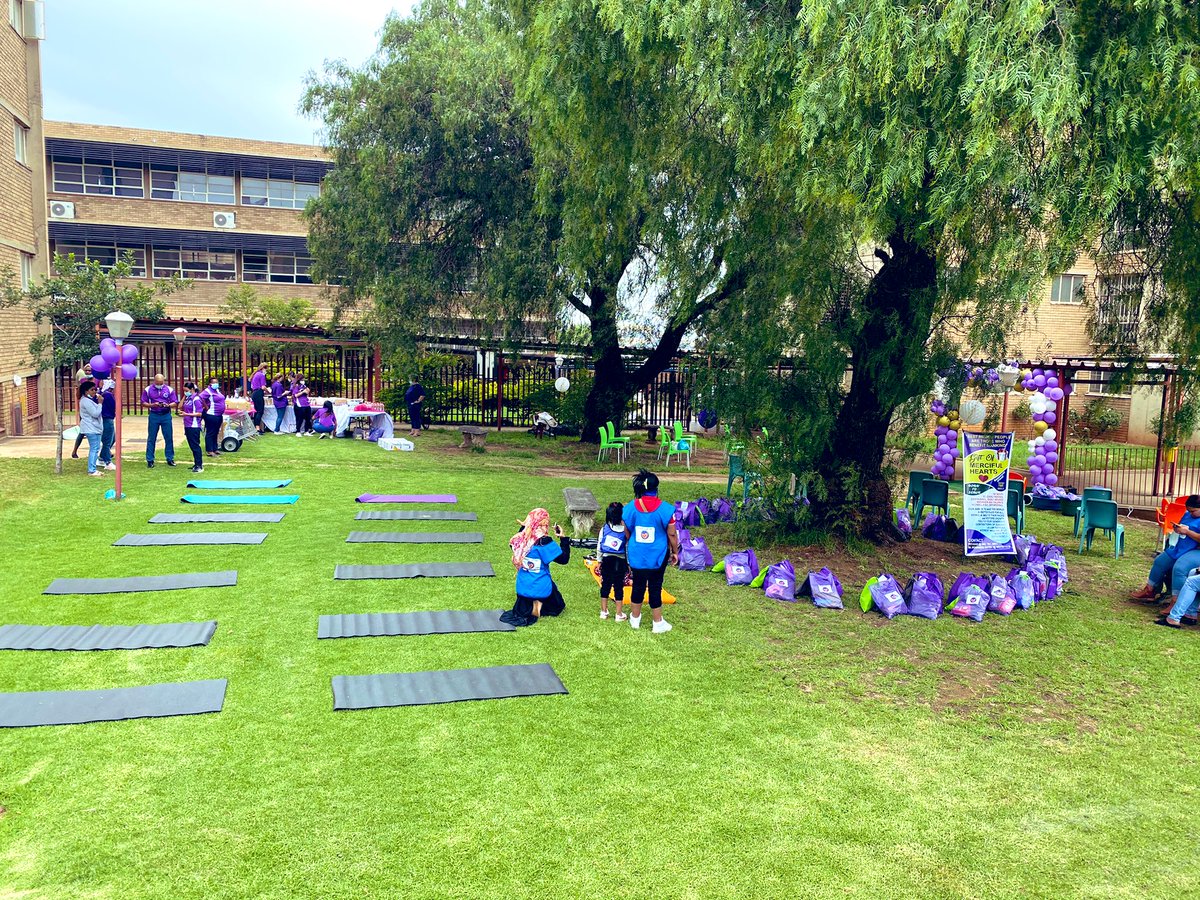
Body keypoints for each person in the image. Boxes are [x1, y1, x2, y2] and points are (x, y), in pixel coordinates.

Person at [622, 469, 679, 633]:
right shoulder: (666, 509)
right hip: (658, 555)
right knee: (655, 586)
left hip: (636, 554)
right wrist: (675, 551)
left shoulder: (630, 507)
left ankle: (635, 619)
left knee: (638, 584)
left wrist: (631, 541)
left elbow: (626, 529)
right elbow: (672, 534)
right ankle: (657, 622)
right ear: (656, 488)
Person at [501, 508, 570, 627]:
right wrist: (563, 538)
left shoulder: (520, 538)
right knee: (558, 605)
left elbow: (516, 542)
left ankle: (533, 604)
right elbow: (564, 559)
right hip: (540, 586)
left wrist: (524, 526)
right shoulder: (544, 541)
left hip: (522, 587)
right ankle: (538, 605)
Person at [1130, 494, 1200, 606]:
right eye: (1189, 511)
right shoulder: (1187, 514)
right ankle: (1150, 589)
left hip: (1192, 550)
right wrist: (1178, 528)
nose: (1190, 513)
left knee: (1179, 569)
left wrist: (1187, 532)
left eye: (1193, 511)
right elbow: (1182, 525)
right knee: (1159, 562)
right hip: (1180, 546)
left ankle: (1176, 601)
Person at [597, 501, 630, 621]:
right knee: (618, 586)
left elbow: (599, 545)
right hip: (620, 561)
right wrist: (629, 563)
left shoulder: (604, 528)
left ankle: (603, 611)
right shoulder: (626, 530)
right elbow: (627, 548)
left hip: (607, 560)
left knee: (605, 584)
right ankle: (619, 614)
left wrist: (599, 561)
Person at [142, 373, 177, 468]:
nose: (159, 385)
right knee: (151, 438)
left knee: (168, 437)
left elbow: (175, 402)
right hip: (154, 415)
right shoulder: (148, 389)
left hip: (166, 415)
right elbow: (143, 402)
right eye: (157, 383)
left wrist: (168, 405)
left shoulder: (169, 389)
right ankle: (150, 460)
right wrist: (152, 405)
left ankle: (170, 458)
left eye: (161, 383)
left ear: (163, 381)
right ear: (154, 381)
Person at [77, 380, 104, 477]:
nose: (94, 392)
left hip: (93, 428)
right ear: (86, 391)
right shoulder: (85, 401)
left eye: (95, 389)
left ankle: (92, 468)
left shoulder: (87, 400)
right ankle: (92, 470)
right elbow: (95, 413)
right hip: (91, 428)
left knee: (95, 448)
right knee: (94, 449)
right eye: (92, 390)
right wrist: (100, 403)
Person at [180, 382, 205, 473]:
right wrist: (184, 396)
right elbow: (180, 406)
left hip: (194, 426)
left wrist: (187, 414)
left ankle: (199, 465)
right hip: (188, 425)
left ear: (192, 389)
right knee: (192, 446)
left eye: (186, 390)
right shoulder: (188, 398)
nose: (185, 392)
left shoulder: (196, 399)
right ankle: (196, 463)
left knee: (195, 446)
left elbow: (199, 413)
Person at [71, 362, 94, 459]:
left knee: (96, 431)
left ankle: (105, 451)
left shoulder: (95, 380)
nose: (88, 372)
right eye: (86, 370)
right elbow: (79, 394)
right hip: (86, 411)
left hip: (93, 408)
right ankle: (74, 451)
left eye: (90, 370)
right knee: (83, 432)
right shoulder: (83, 380)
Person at [200, 376, 226, 458]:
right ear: (210, 384)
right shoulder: (207, 391)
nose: (216, 384)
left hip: (219, 415)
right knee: (210, 432)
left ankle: (215, 448)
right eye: (214, 382)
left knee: (216, 432)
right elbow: (200, 398)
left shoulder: (217, 390)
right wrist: (205, 406)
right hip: (211, 414)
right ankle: (209, 450)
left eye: (217, 382)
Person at [97, 379, 116, 471]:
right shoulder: (108, 395)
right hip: (107, 419)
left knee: (112, 439)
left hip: (105, 419)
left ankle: (102, 456)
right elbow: (113, 406)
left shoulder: (102, 394)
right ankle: (107, 461)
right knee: (107, 441)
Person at [249, 362, 269, 433]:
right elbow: (263, 387)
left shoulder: (255, 374)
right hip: (258, 393)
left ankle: (256, 427)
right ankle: (257, 427)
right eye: (266, 369)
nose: (266, 371)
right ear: (263, 368)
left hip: (254, 393)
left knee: (257, 411)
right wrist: (268, 391)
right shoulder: (261, 375)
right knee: (260, 411)